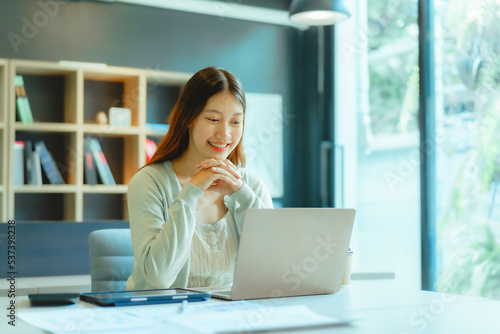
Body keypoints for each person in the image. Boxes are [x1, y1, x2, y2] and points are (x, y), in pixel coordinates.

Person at [126, 66, 273, 290]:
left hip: (232, 317)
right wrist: (191, 192)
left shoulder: (252, 187)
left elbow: (272, 269)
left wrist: (242, 194)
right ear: (188, 118)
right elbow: (159, 278)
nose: (225, 133)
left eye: (235, 122)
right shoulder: (149, 182)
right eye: (213, 119)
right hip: (164, 316)